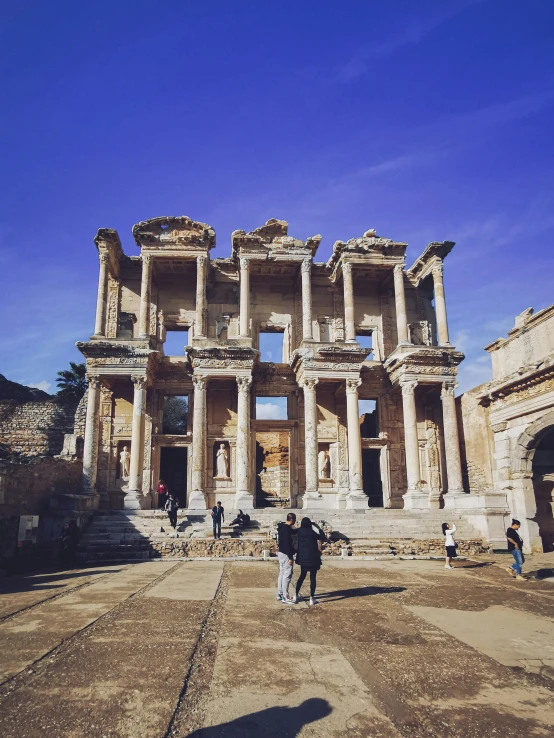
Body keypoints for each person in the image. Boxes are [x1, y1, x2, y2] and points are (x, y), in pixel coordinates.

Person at [293, 517, 326, 606]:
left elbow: (293, 531)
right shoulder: (312, 532)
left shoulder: (300, 531)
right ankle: (312, 598)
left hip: (303, 558)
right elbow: (323, 537)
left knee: (302, 576)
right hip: (313, 558)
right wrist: (318, 527)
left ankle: (296, 595)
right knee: (312, 577)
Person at [276, 512, 297, 603]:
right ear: (292, 520)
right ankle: (285, 596)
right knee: (287, 575)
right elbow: (288, 544)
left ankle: (280, 594)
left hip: (281, 552)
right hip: (286, 553)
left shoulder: (282, 527)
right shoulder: (287, 530)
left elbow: (293, 531)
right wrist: (291, 557)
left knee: (282, 573)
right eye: (295, 521)